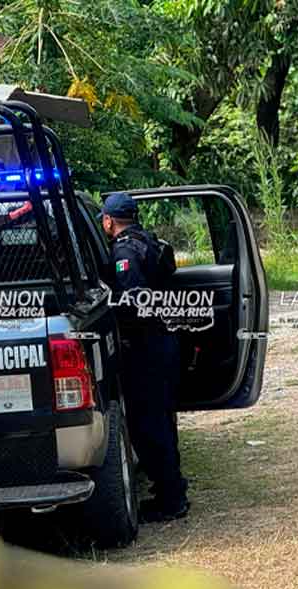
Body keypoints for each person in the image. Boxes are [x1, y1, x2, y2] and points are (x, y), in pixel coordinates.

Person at [100, 192, 190, 522]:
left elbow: (136, 302)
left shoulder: (124, 251)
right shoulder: (152, 242)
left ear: (109, 221)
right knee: (163, 420)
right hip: (164, 341)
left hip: (145, 346)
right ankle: (172, 489)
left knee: (149, 425)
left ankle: (171, 499)